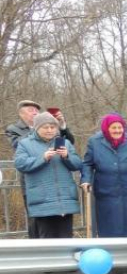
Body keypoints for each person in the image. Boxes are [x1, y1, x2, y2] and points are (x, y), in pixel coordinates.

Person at [6, 100, 76, 237]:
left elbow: (69, 142)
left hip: (57, 180)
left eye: (37, 110)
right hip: (33, 179)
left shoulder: (50, 127)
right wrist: (38, 128)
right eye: (31, 110)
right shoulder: (13, 129)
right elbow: (18, 145)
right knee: (37, 219)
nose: (35, 112)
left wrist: (60, 126)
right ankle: (37, 248)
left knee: (60, 222)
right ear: (21, 114)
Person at [80, 113, 127, 237]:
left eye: (120, 127)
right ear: (106, 128)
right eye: (114, 128)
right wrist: (86, 180)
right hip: (106, 190)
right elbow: (87, 164)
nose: (117, 130)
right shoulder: (94, 142)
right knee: (110, 226)